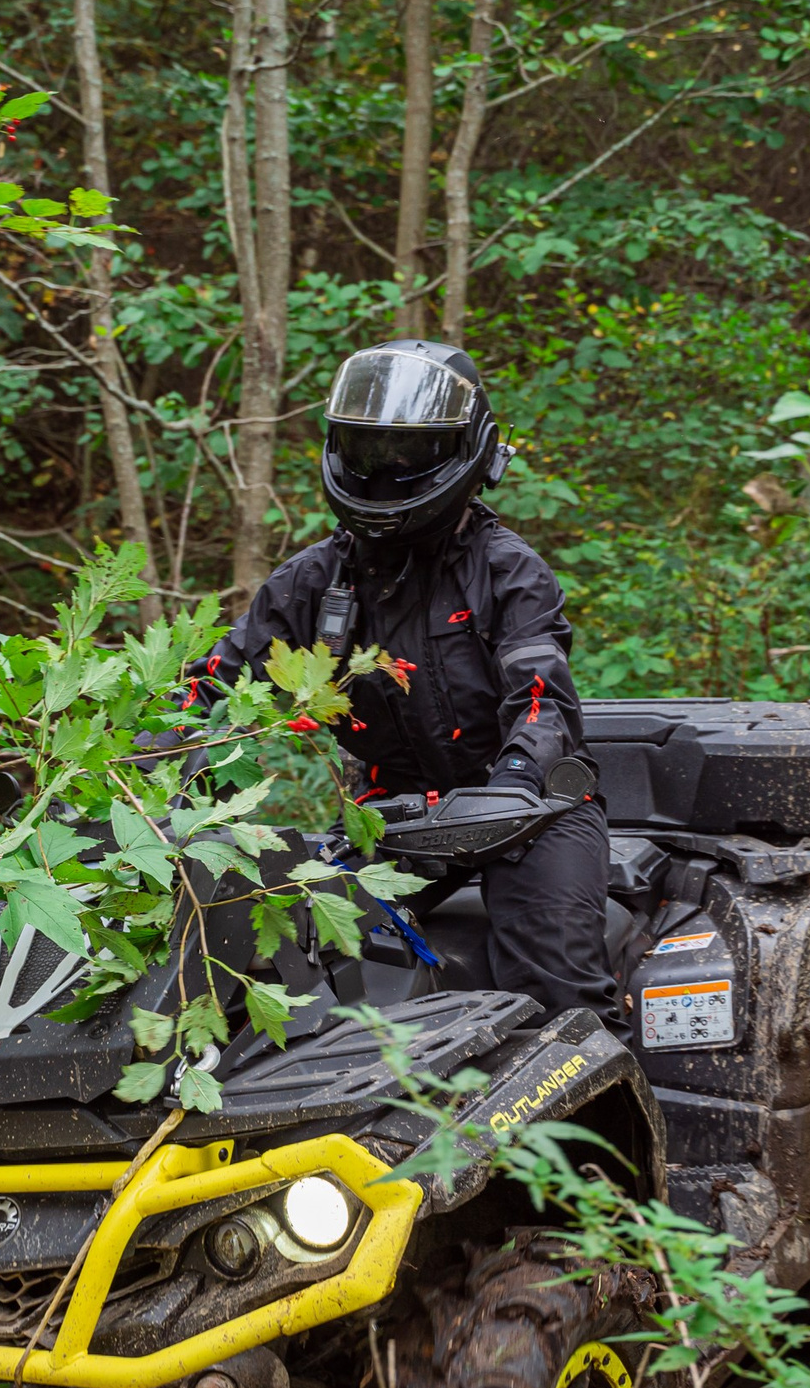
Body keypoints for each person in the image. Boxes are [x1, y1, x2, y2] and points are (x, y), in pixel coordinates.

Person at [181, 340, 619, 1026]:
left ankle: (607, 1090)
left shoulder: (508, 570)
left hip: (530, 813)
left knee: (557, 985)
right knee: (295, 956)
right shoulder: (312, 580)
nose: (386, 474)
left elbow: (541, 697)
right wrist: (149, 767)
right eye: (368, 454)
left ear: (470, 453)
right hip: (391, 816)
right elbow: (213, 685)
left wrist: (515, 780)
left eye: (408, 456)